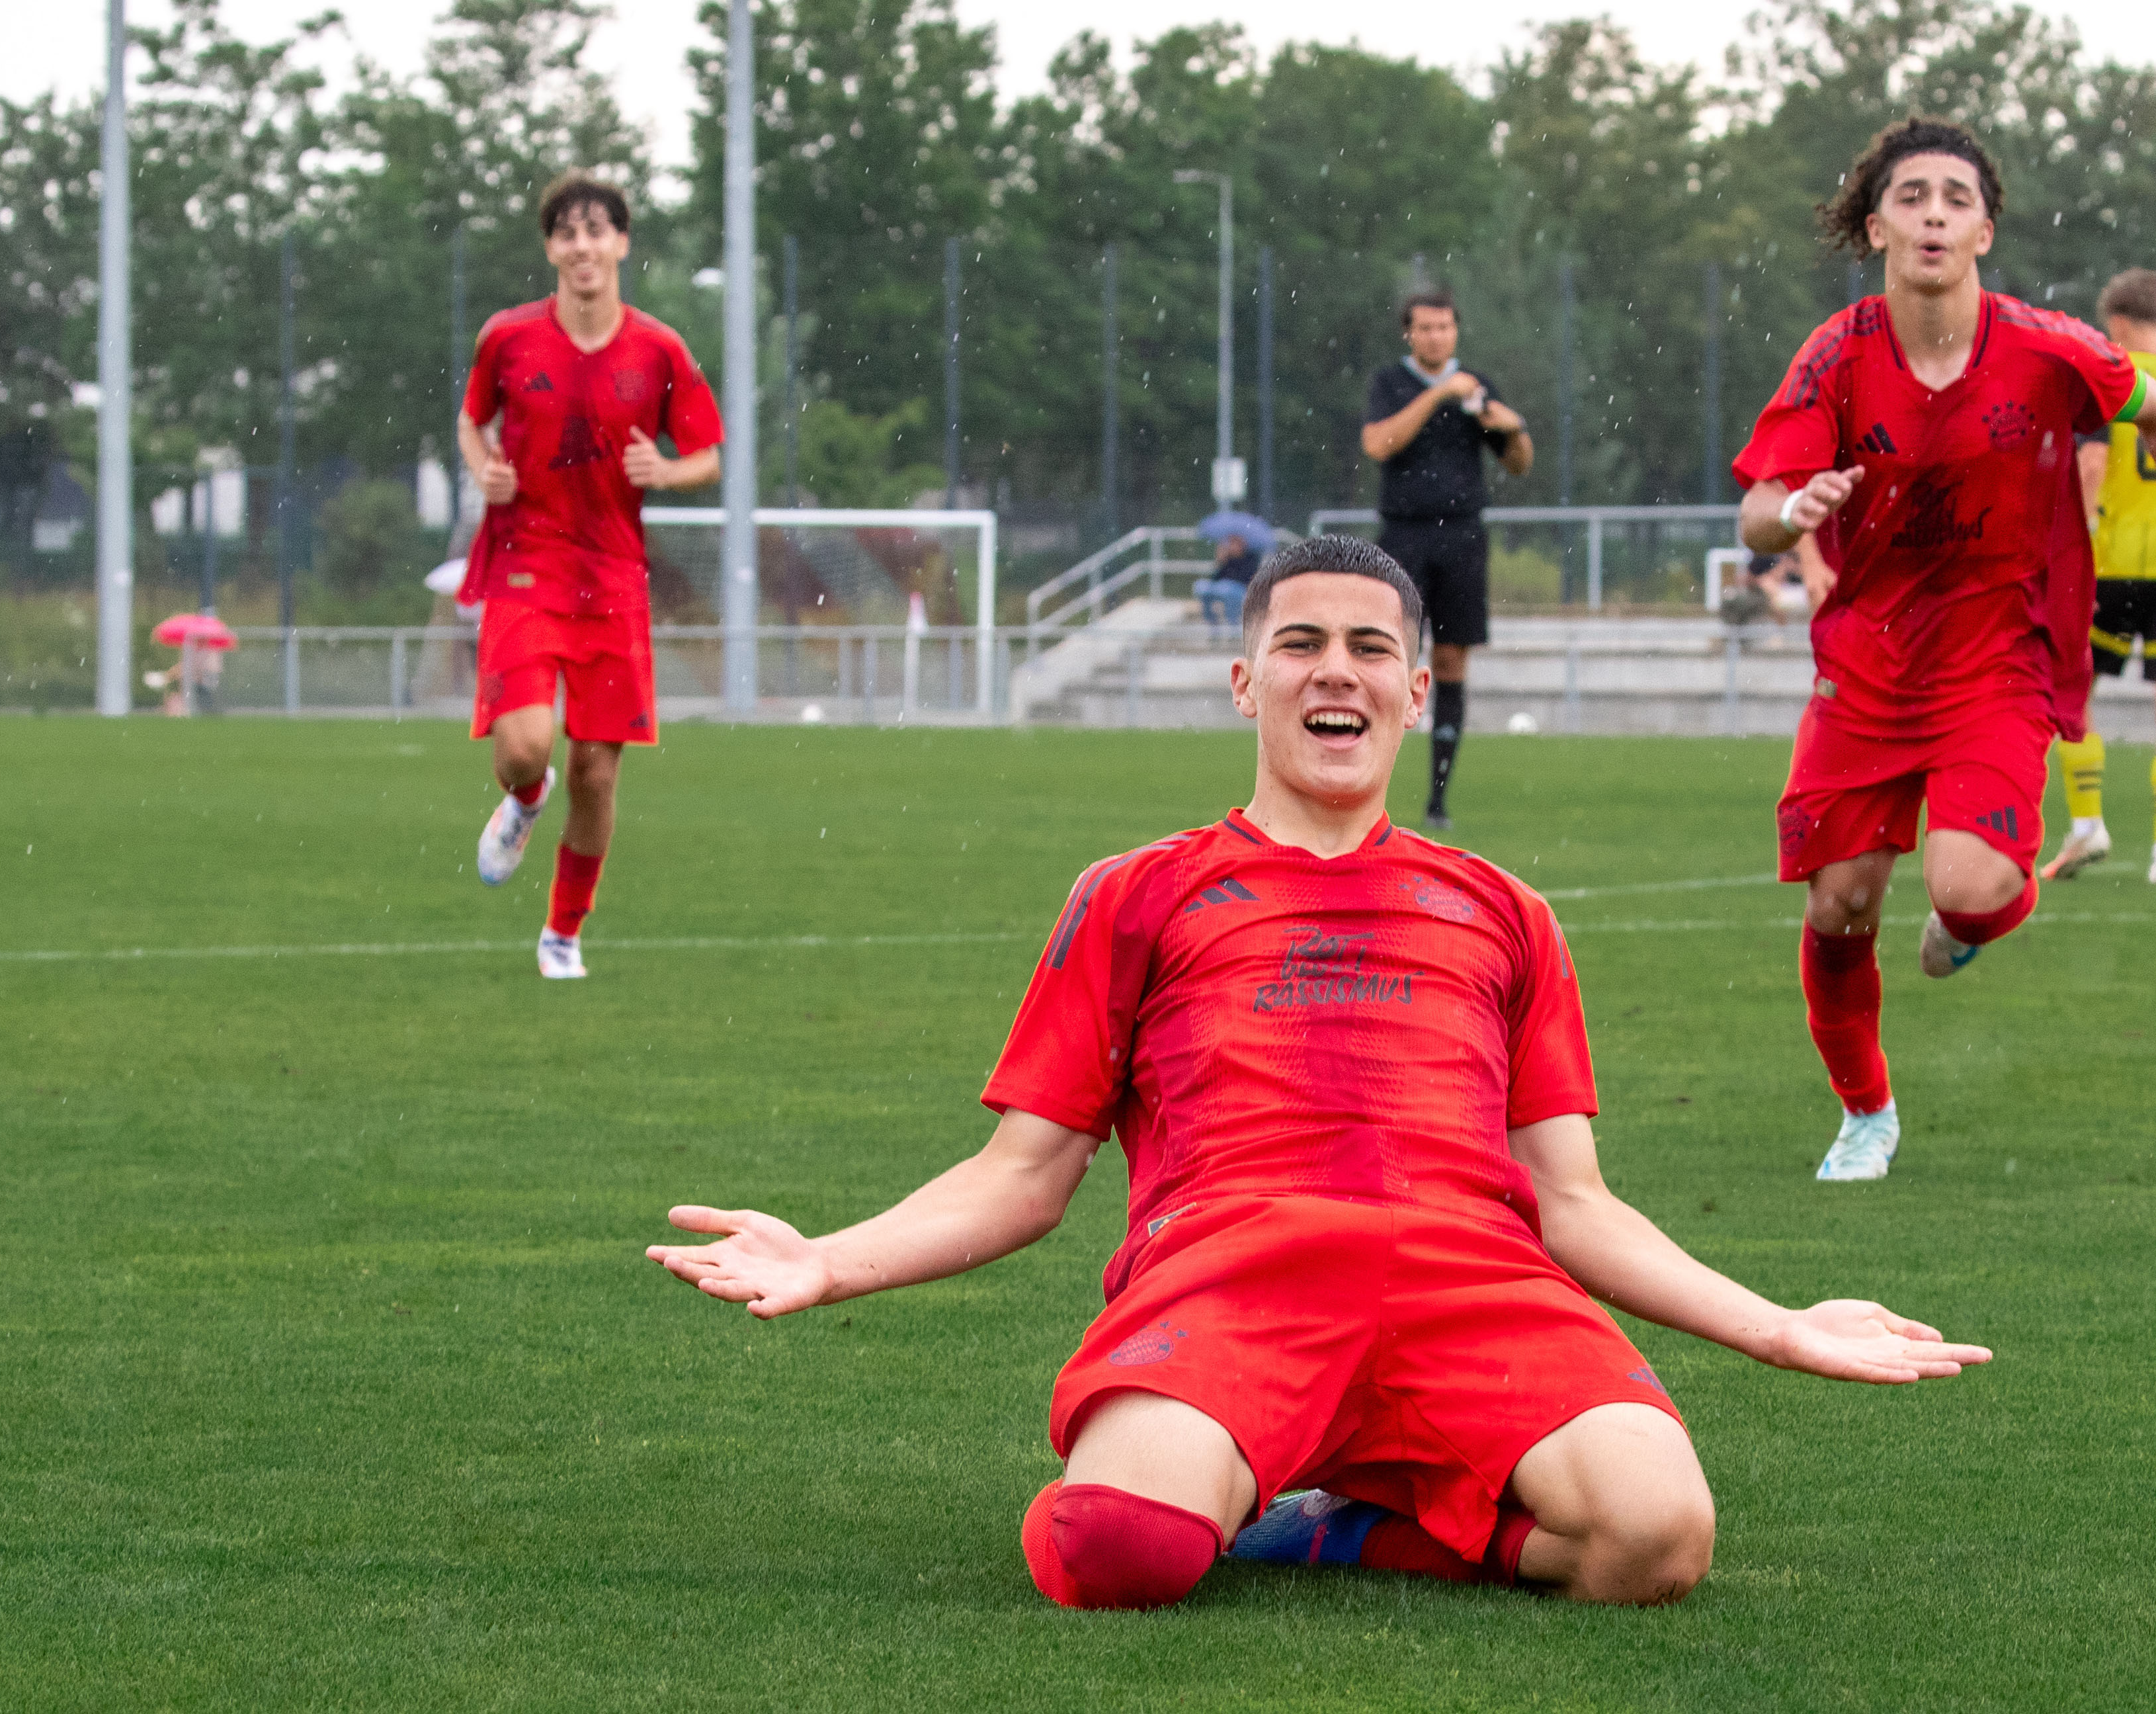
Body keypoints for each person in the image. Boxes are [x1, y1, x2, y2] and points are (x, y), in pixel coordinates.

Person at [645, 536, 1991, 1611]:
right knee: (1114, 1545)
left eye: (1367, 647)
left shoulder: (1503, 909)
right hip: (1229, 1281)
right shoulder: (1135, 893)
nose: (1330, 670)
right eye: (1297, 642)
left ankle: (1333, 1533)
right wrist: (832, 1255)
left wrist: (1776, 1323)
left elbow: (1570, 1202)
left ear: (1415, 688)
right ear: (1245, 682)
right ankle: (1238, 1475)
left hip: (1474, 1286)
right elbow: (1023, 1171)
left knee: (1654, 1539)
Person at [1732, 119, 2156, 1182]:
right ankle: (1865, 1111)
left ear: (1984, 230)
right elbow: (1754, 511)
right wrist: (1794, 513)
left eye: (1955, 197)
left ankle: (1969, 925)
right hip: (1868, 659)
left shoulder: (2048, 343)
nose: (1932, 212)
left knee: (1967, 888)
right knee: (1840, 903)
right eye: (1911, 194)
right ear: (1874, 222)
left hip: (1996, 654)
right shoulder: (1834, 353)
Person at [456, 172, 724, 979]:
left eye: (597, 230)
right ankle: (523, 799)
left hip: (610, 577)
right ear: (550, 248)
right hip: (525, 563)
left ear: (621, 244)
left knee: (596, 770)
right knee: (527, 747)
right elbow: (472, 421)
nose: (583, 246)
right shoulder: (507, 338)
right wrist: (484, 471)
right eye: (567, 232)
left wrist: (664, 471)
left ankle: (564, 931)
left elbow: (707, 454)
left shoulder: (658, 348)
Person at [2042, 268, 2156, 891]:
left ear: (2116, 328)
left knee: (2073, 694)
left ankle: (2088, 822)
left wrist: (2075, 533)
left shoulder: (2111, 373)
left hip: (2111, 564)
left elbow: (2092, 462)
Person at [1362, 288, 1534, 830]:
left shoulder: (1476, 386)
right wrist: (1438, 397)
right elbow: (1379, 444)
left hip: (1462, 536)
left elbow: (1520, 464)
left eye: (1445, 327)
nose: (1436, 336)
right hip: (1405, 535)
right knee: (1389, 657)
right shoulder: (1391, 384)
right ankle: (1368, 786)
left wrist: (1512, 425)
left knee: (1453, 660)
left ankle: (1437, 799)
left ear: (1456, 331)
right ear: (1409, 334)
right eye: (1426, 328)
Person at [1198, 531, 1259, 631]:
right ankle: (1213, 624)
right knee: (1203, 590)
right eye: (1231, 542)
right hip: (1224, 588)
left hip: (1240, 590)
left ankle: (1233, 626)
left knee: (1228, 592)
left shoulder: (1251, 558)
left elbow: (1247, 578)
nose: (1232, 545)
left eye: (1235, 542)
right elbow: (1215, 579)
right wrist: (1220, 562)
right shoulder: (1228, 559)